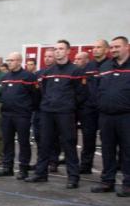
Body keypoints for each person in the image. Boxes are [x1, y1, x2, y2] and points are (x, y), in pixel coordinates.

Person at [26, 40, 87, 188]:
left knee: (69, 144)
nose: (57, 51)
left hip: (65, 113)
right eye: (55, 49)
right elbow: (44, 91)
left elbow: (81, 94)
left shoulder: (76, 71)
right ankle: (41, 174)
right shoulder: (47, 72)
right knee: (44, 143)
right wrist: (47, 104)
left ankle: (73, 177)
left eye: (60, 49)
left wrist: (69, 105)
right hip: (47, 112)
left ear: (68, 51)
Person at [92, 36, 130, 197]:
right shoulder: (105, 66)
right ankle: (107, 181)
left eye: (117, 47)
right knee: (107, 150)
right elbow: (96, 88)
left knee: (128, 151)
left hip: (126, 116)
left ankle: (128, 184)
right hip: (106, 116)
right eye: (112, 47)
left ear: (127, 47)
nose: (114, 50)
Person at [0, 52, 38, 180]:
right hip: (7, 114)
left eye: (12, 60)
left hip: (22, 115)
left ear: (19, 61)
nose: (9, 62)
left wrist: (28, 109)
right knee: (7, 141)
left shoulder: (28, 77)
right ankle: (7, 167)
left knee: (23, 142)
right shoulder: (5, 77)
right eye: (8, 60)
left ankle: (23, 169)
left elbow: (35, 96)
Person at [74, 51, 100, 174]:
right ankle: (79, 163)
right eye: (75, 59)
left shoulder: (91, 71)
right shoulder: (75, 72)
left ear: (86, 60)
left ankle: (86, 164)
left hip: (90, 108)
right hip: (78, 108)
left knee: (89, 138)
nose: (76, 61)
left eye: (79, 59)